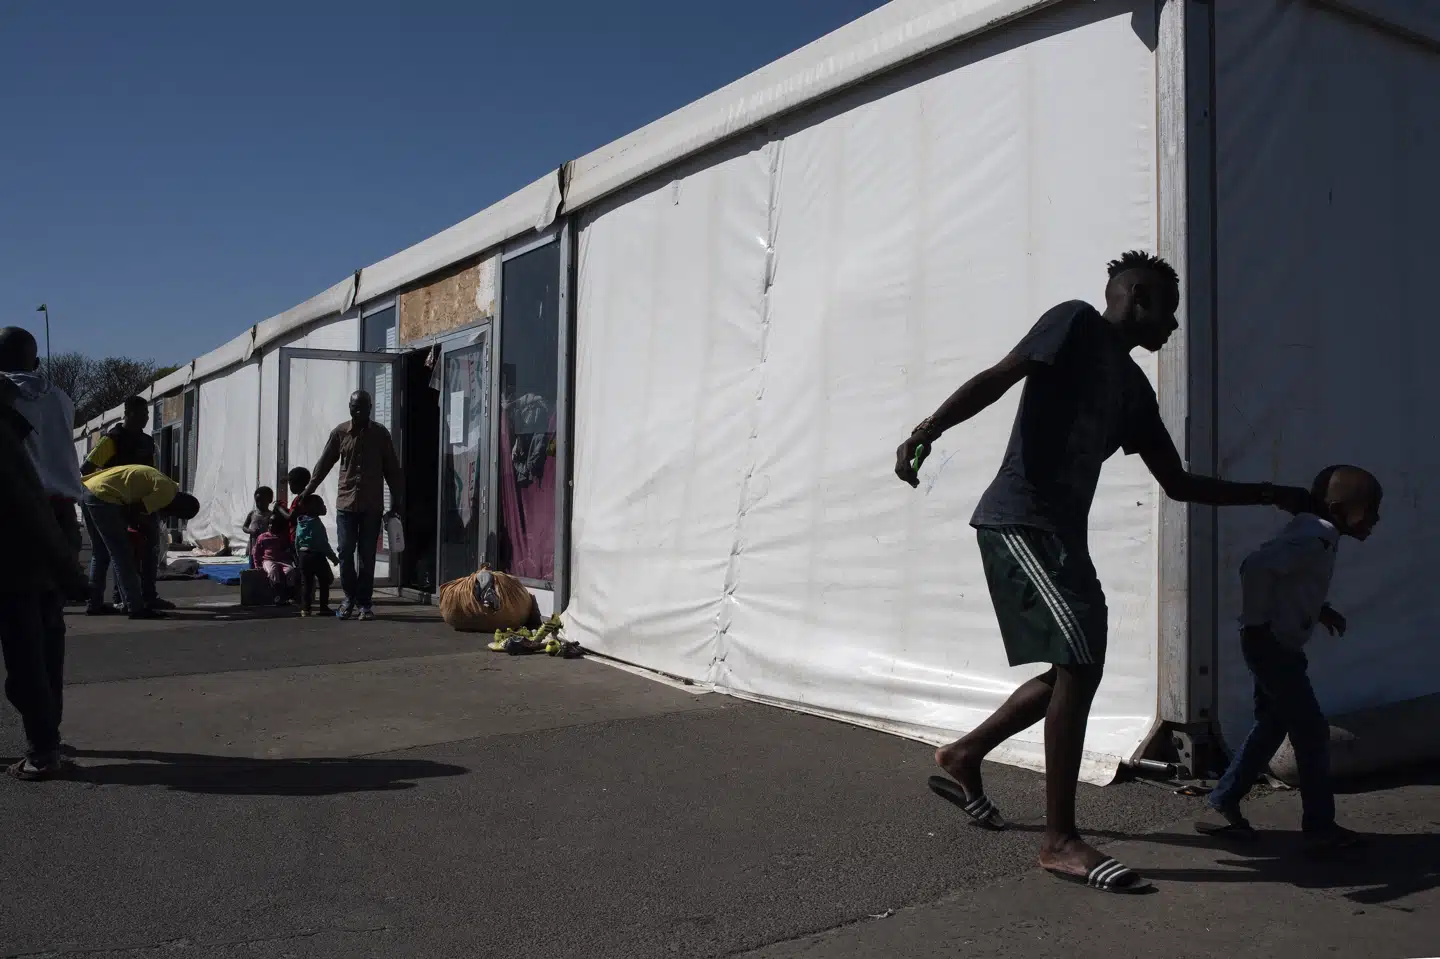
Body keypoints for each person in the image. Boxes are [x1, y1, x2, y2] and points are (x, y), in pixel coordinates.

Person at [896, 251, 1313, 894]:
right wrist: (929, 428)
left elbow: (1176, 483)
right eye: (1168, 310)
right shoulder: (1075, 323)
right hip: (1020, 522)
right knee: (1082, 661)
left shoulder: (1135, 391)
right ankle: (1059, 841)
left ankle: (964, 755)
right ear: (1138, 298)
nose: (1172, 326)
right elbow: (1002, 375)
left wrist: (1269, 493)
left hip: (1064, 537)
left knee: (1075, 664)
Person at [1198, 465, 1382, 848]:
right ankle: (1319, 827)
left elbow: (1292, 578)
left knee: (1271, 724)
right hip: (1273, 648)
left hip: (1276, 646)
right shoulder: (1317, 536)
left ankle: (1223, 801)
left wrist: (1320, 609)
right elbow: (1256, 567)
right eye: (1369, 509)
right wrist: (1258, 624)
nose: (1375, 519)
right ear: (1337, 508)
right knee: (1311, 732)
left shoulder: (1314, 532)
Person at [0, 375, 89, 780]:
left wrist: (69, 570)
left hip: (21, 538)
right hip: (57, 521)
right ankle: (47, 735)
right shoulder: (58, 398)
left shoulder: (8, 429)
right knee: (46, 639)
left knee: (26, 648)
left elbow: (25, 500)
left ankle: (43, 747)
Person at [302, 390, 403, 622]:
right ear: (349, 407)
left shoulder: (380, 434)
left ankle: (365, 603)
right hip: (346, 505)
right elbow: (323, 464)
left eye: (363, 407)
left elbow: (392, 470)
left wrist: (396, 502)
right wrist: (308, 491)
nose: (358, 411)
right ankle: (349, 598)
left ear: (370, 408)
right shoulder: (339, 433)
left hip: (372, 506)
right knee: (346, 553)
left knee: (367, 556)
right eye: (354, 407)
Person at [82, 395, 170, 611]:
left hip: (137, 501)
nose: (145, 419)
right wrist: (113, 481)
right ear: (128, 414)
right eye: (141, 415)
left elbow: (150, 472)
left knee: (148, 548)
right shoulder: (113, 439)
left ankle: (147, 594)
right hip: (112, 500)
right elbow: (87, 468)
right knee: (117, 551)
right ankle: (122, 600)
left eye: (147, 415)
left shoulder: (147, 441)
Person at [81, 464, 199, 620]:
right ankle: (135, 607)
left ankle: (94, 603)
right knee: (122, 554)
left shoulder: (166, 484)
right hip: (104, 496)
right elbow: (136, 511)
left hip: (90, 490)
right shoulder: (165, 494)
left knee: (100, 552)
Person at [294, 494, 339, 617]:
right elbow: (322, 543)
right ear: (314, 508)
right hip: (316, 555)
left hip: (303, 555)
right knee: (325, 580)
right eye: (321, 505)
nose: (324, 507)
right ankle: (323, 607)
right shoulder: (316, 523)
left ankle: (305, 609)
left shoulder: (301, 522)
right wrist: (333, 557)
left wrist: (299, 556)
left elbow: (297, 541)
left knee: (307, 583)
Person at [251, 512, 300, 606]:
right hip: (268, 560)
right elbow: (256, 552)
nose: (271, 526)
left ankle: (290, 593)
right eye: (270, 523)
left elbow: (287, 549)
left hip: (282, 560)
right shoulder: (262, 537)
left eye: (274, 524)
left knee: (290, 570)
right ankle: (277, 593)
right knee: (272, 571)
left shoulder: (282, 537)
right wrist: (257, 564)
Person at [241, 487, 275, 569]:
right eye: (257, 501)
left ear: (270, 500)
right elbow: (244, 527)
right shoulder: (252, 514)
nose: (259, 504)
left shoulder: (272, 515)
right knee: (253, 565)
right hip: (254, 545)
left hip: (267, 548)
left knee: (266, 565)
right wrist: (251, 531)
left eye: (262, 501)